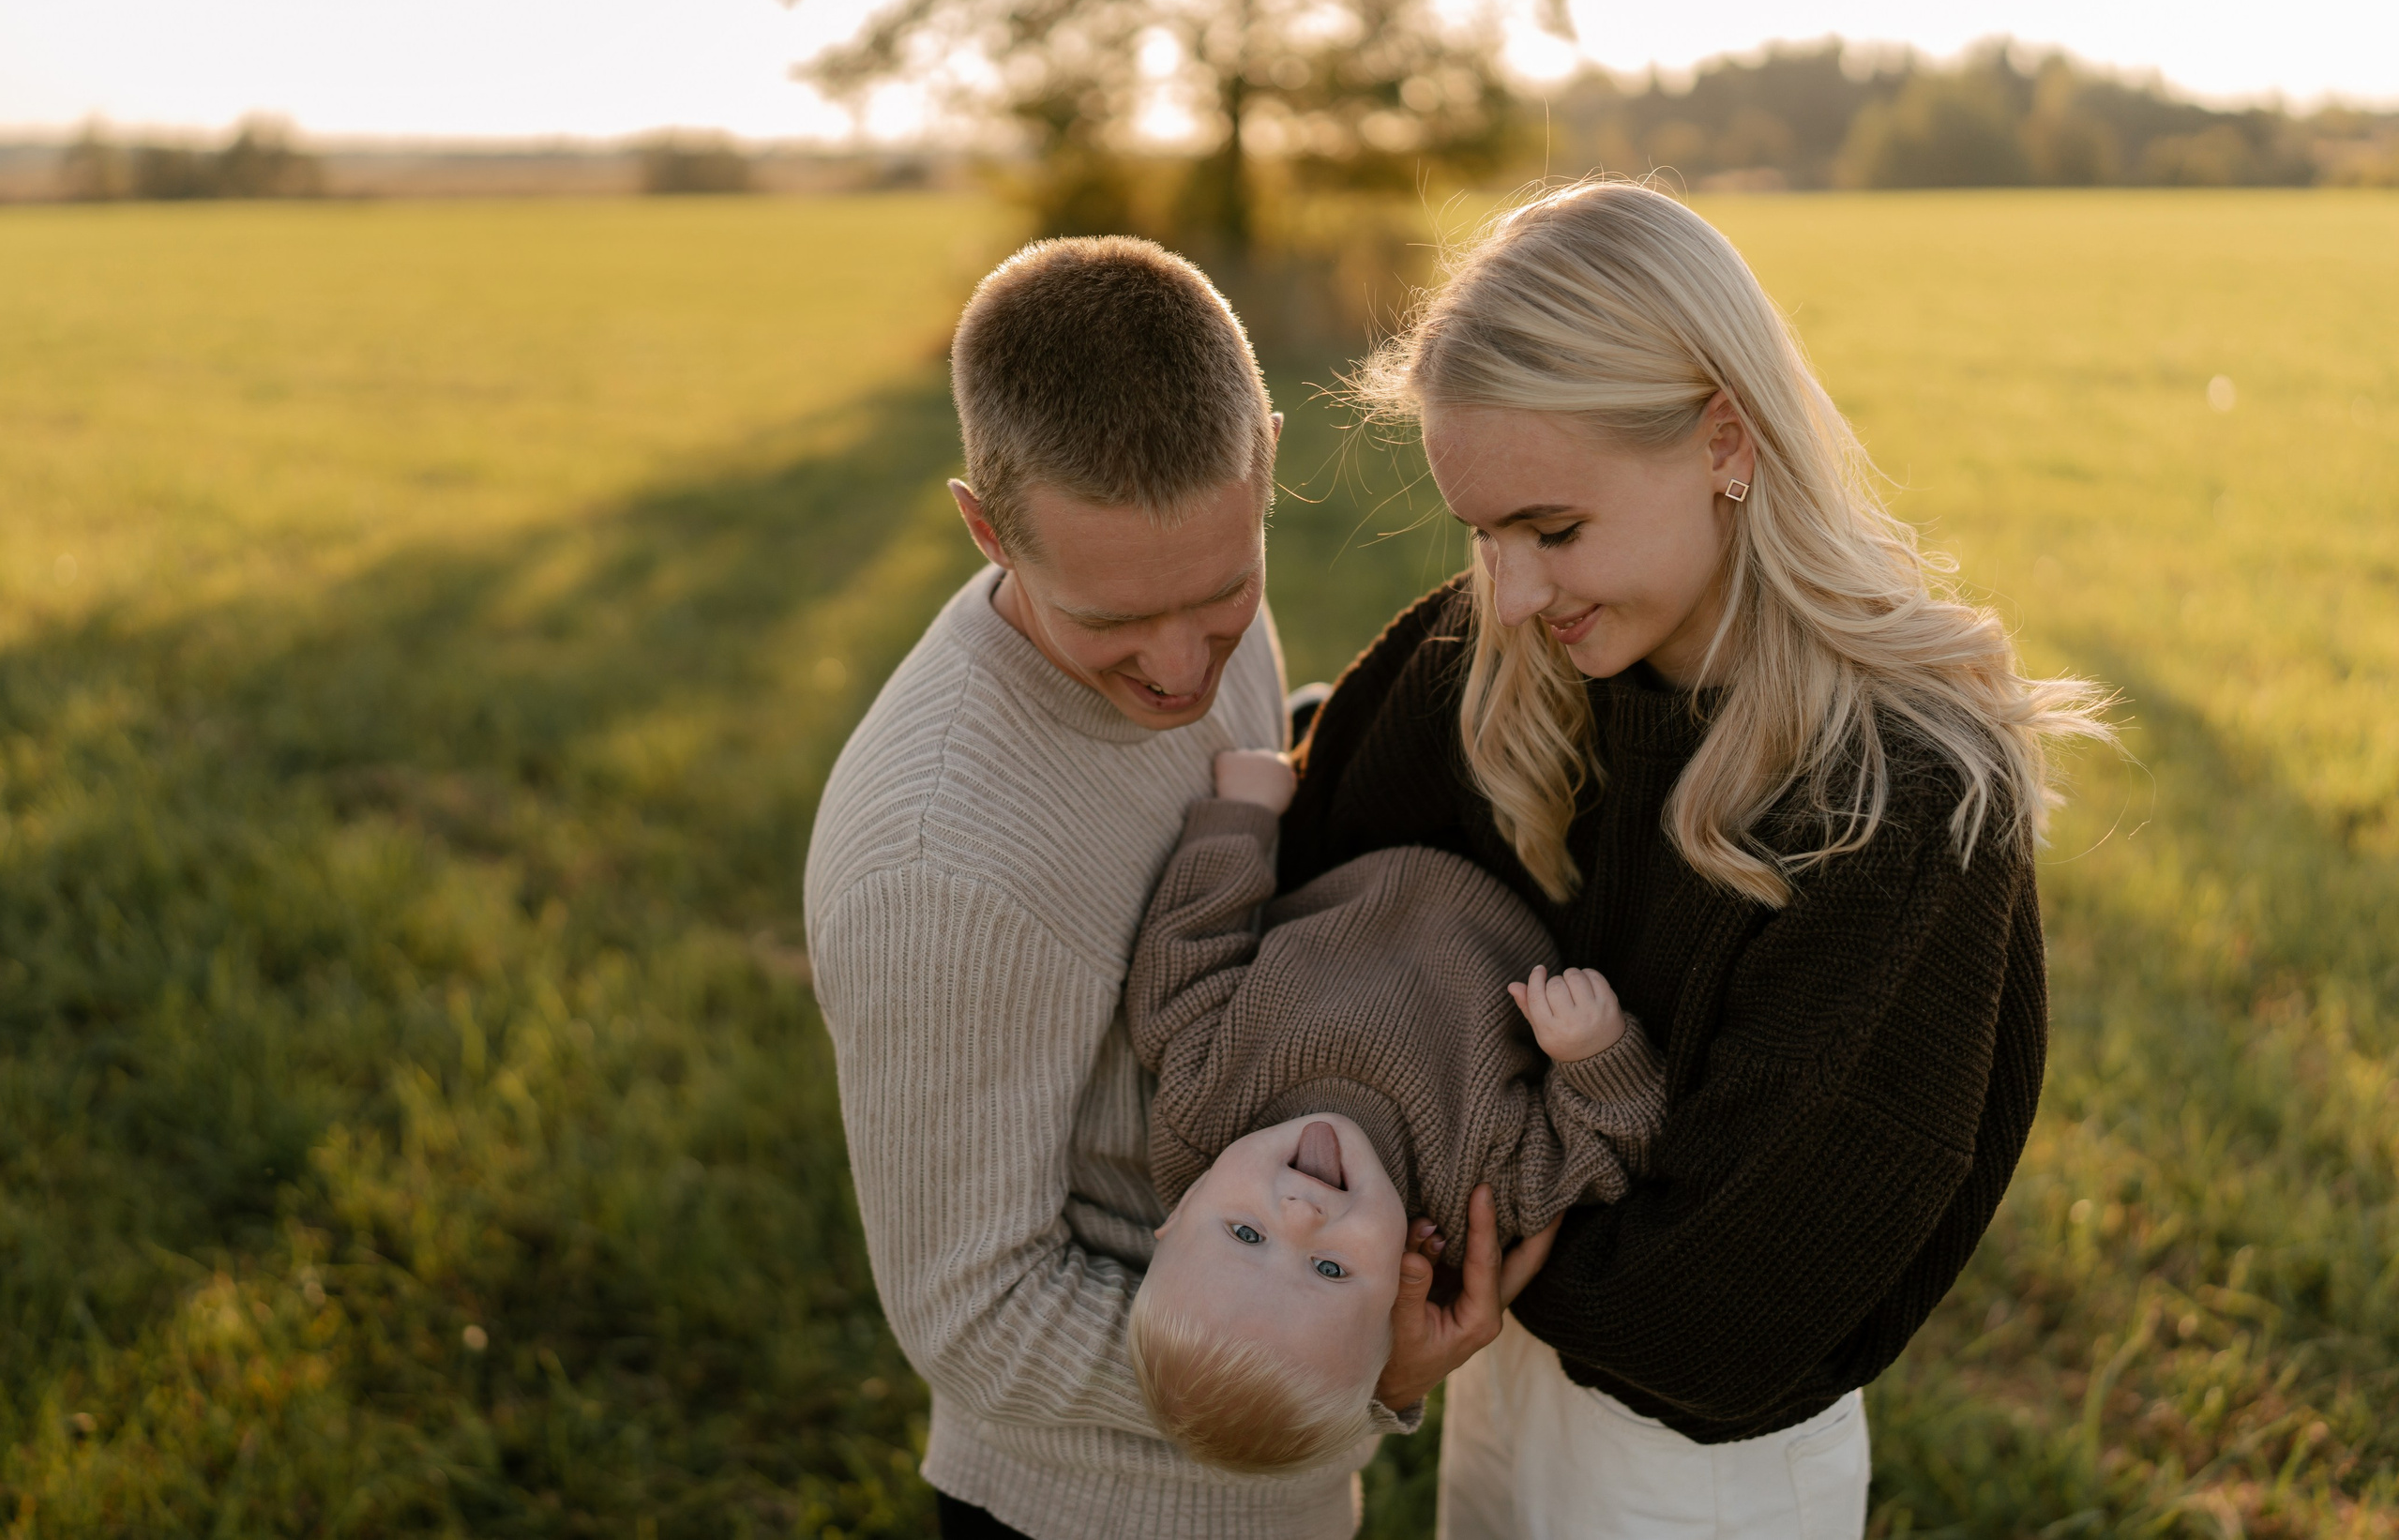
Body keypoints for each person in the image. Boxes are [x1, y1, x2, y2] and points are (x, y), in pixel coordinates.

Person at [1279, 180, 2116, 1539]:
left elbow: (1725, 1307)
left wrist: (1457, 1226)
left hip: (1696, 1466)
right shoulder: (1507, 653)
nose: (1512, 589)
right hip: (1500, 1371)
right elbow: (1312, 866)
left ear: (1725, 438)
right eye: (1479, 533)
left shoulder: (1897, 802)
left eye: (1553, 529)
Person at [805, 236, 1545, 1540]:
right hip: (1091, 1512)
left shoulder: (1189, 602)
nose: (1178, 669)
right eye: (1112, 622)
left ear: (1259, 459)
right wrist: (1353, 1358)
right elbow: (977, 1314)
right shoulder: (941, 864)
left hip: (1287, 1496)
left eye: (1222, 597)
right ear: (987, 527)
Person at [1120, 747, 1664, 1474]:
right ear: (1397, 1307)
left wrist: (1242, 815)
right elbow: (1608, 1144)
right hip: (1538, 882)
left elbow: (1187, 951)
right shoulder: (1472, 1202)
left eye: (1247, 1231)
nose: (1301, 1215)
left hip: (1367, 843)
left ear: (1178, 1213)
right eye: (1332, 1269)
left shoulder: (1201, 1103)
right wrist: (1596, 1050)